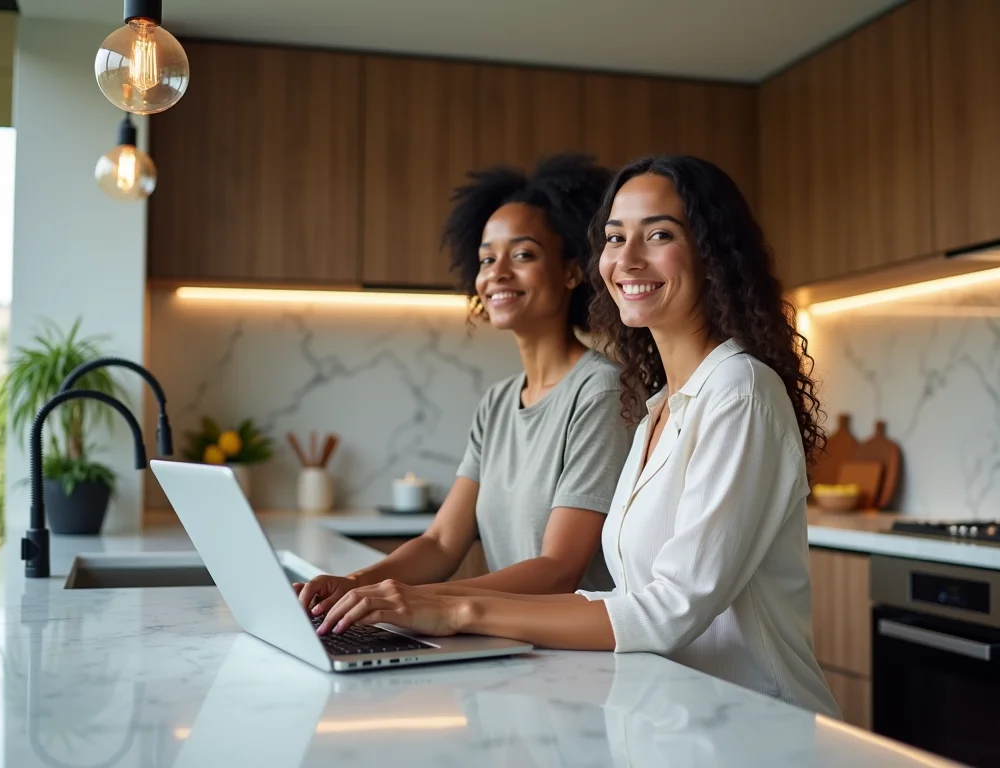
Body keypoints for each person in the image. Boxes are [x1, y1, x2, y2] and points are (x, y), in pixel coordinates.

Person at [314, 155, 841, 718]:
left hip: (759, 726)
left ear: (712, 255)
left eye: (659, 234)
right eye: (615, 238)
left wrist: (455, 610)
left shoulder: (740, 392)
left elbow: (669, 608)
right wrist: (391, 597)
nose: (627, 258)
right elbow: (625, 597)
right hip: (676, 716)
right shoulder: (658, 408)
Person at [295, 154, 632, 613]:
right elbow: (440, 542)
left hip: (575, 646)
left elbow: (559, 569)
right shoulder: (498, 402)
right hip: (512, 638)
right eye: (487, 259)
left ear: (573, 270)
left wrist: (414, 600)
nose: (497, 273)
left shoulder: (601, 392)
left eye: (523, 255)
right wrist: (352, 583)